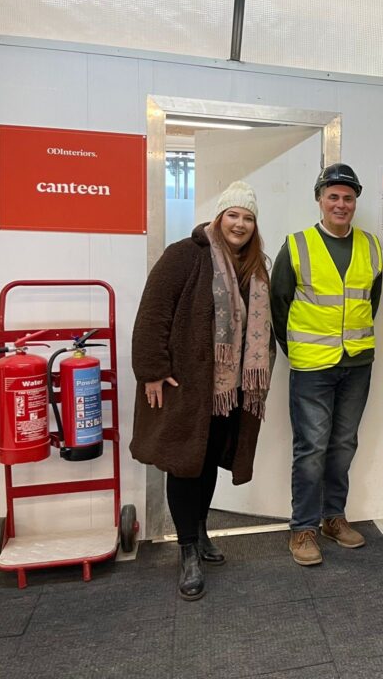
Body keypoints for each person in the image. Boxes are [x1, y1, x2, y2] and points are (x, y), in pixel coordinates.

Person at [132, 180, 274, 601]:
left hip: (226, 392)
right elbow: (153, 313)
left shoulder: (254, 267)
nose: (240, 224)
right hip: (188, 388)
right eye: (233, 215)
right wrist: (153, 371)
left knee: (208, 460)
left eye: (248, 218)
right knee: (184, 465)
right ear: (220, 217)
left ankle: (201, 531)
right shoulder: (185, 255)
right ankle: (187, 549)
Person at [270, 163, 382, 567]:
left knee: (343, 445)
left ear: (355, 203)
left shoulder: (371, 246)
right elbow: (278, 304)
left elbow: (372, 300)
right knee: (311, 448)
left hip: (357, 362)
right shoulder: (297, 244)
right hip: (312, 365)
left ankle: (334, 518)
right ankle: (303, 528)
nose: (341, 204)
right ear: (320, 200)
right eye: (333, 196)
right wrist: (297, 349)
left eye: (348, 198)